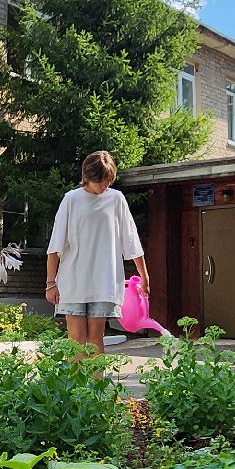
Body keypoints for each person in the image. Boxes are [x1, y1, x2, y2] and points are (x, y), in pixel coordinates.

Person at [44, 151, 149, 354]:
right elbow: (55, 246)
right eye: (100, 181)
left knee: (95, 340)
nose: (104, 186)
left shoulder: (116, 199)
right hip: (73, 282)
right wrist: (51, 283)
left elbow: (131, 240)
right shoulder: (71, 200)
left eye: (108, 180)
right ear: (88, 177)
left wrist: (144, 276)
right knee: (75, 341)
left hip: (104, 282)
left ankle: (96, 386)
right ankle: (74, 387)